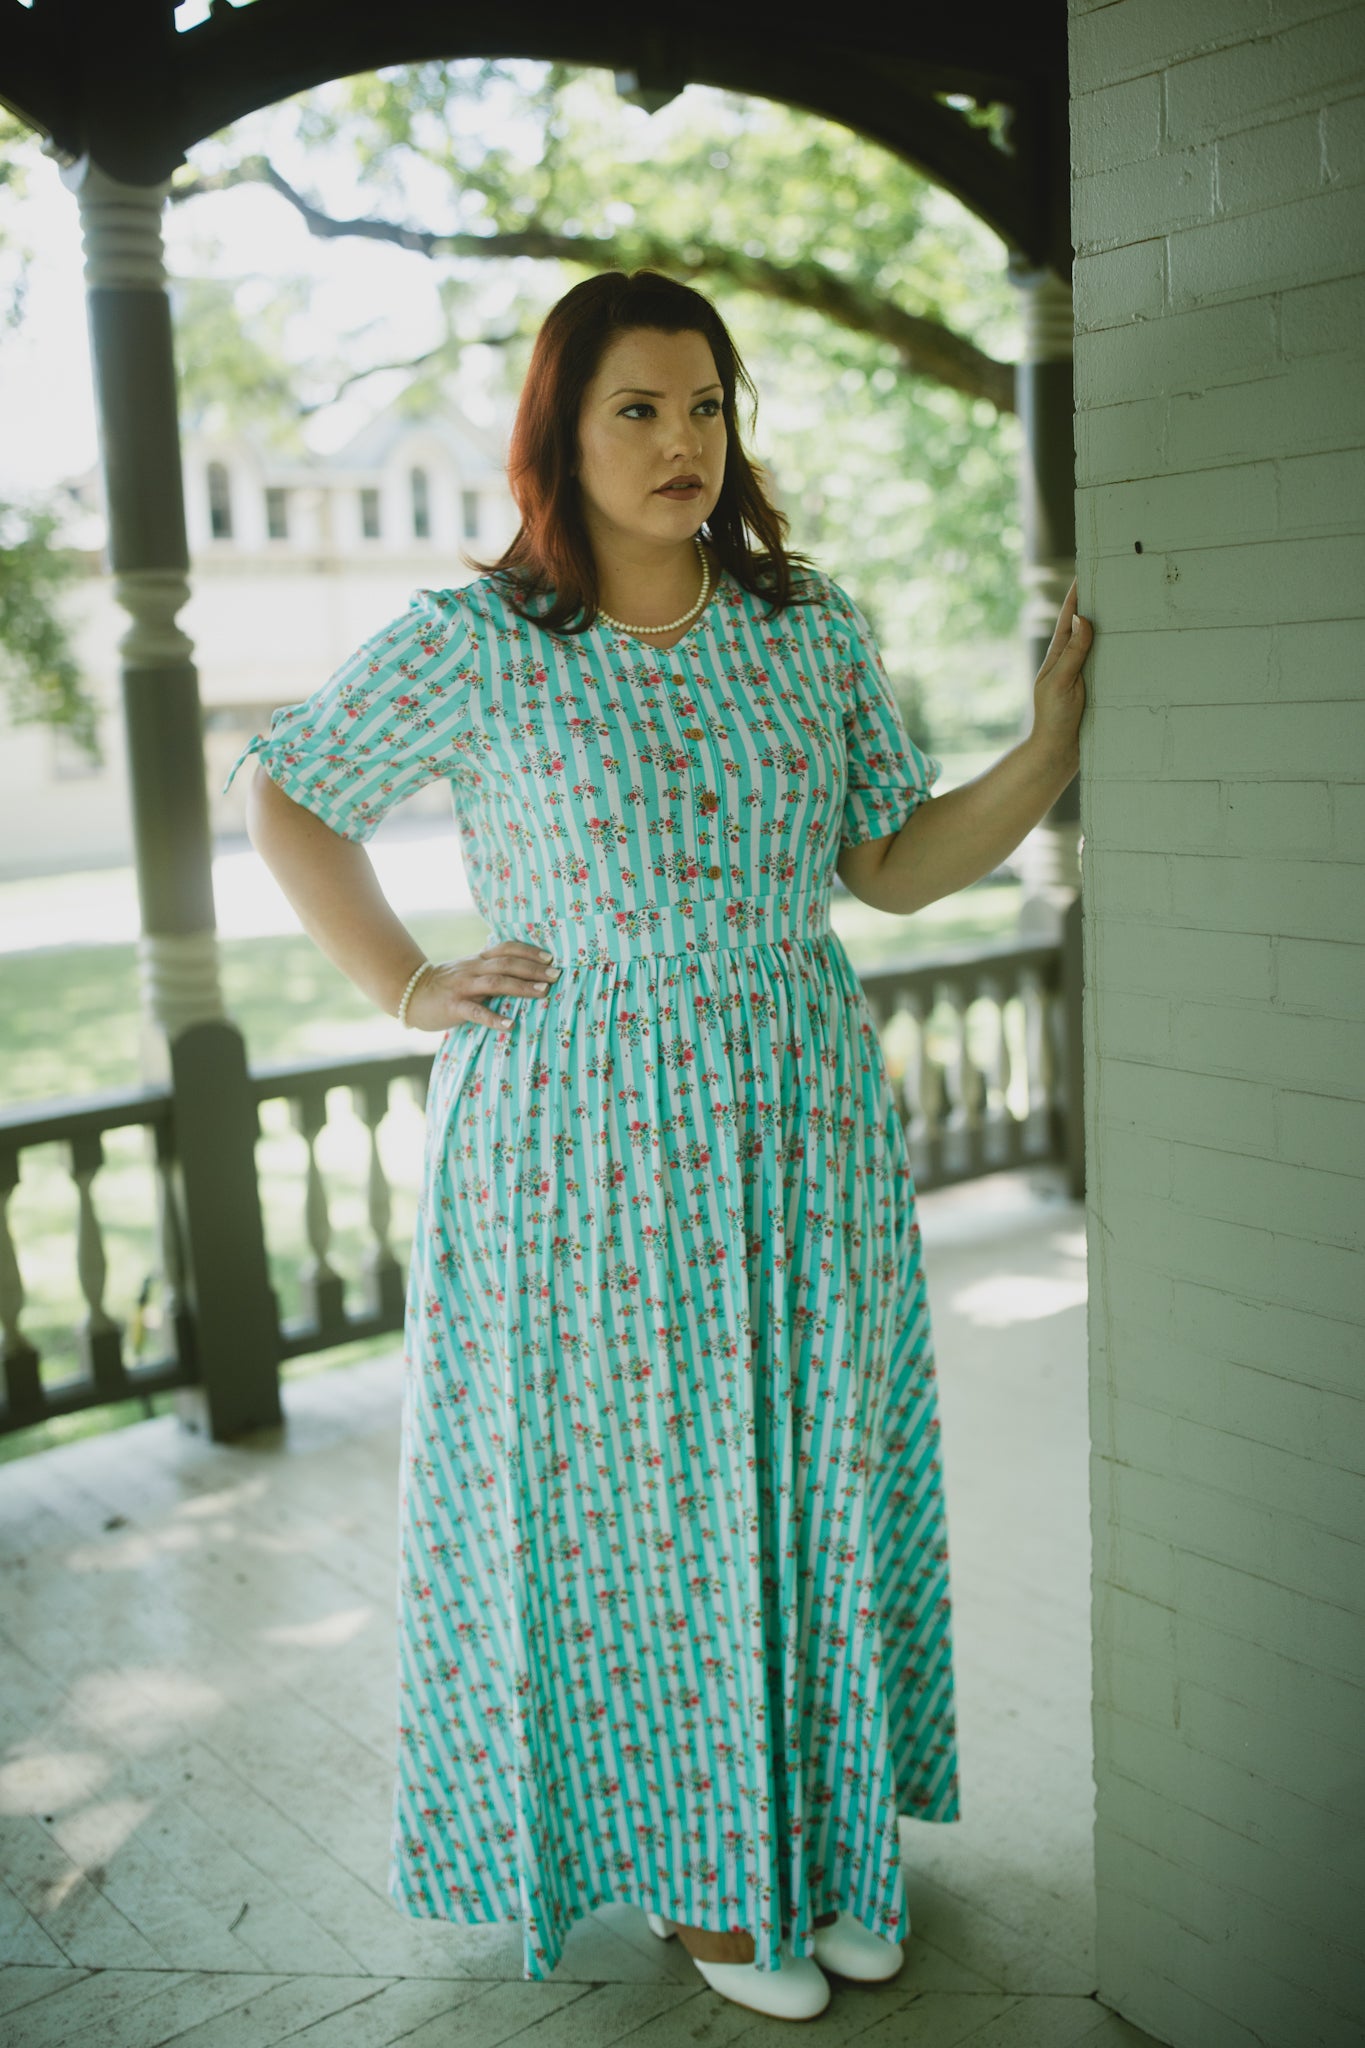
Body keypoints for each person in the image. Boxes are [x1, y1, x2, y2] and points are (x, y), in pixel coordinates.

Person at [223, 267, 1090, 2021]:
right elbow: (290, 789)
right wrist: (405, 983)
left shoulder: (804, 626)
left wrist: (1047, 749)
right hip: (580, 1137)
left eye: (705, 406)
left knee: (806, 1471)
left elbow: (885, 861)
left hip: (795, 1106)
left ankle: (824, 1847)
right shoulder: (480, 640)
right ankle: (701, 1882)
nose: (682, 441)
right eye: (638, 409)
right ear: (561, 430)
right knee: (648, 1511)